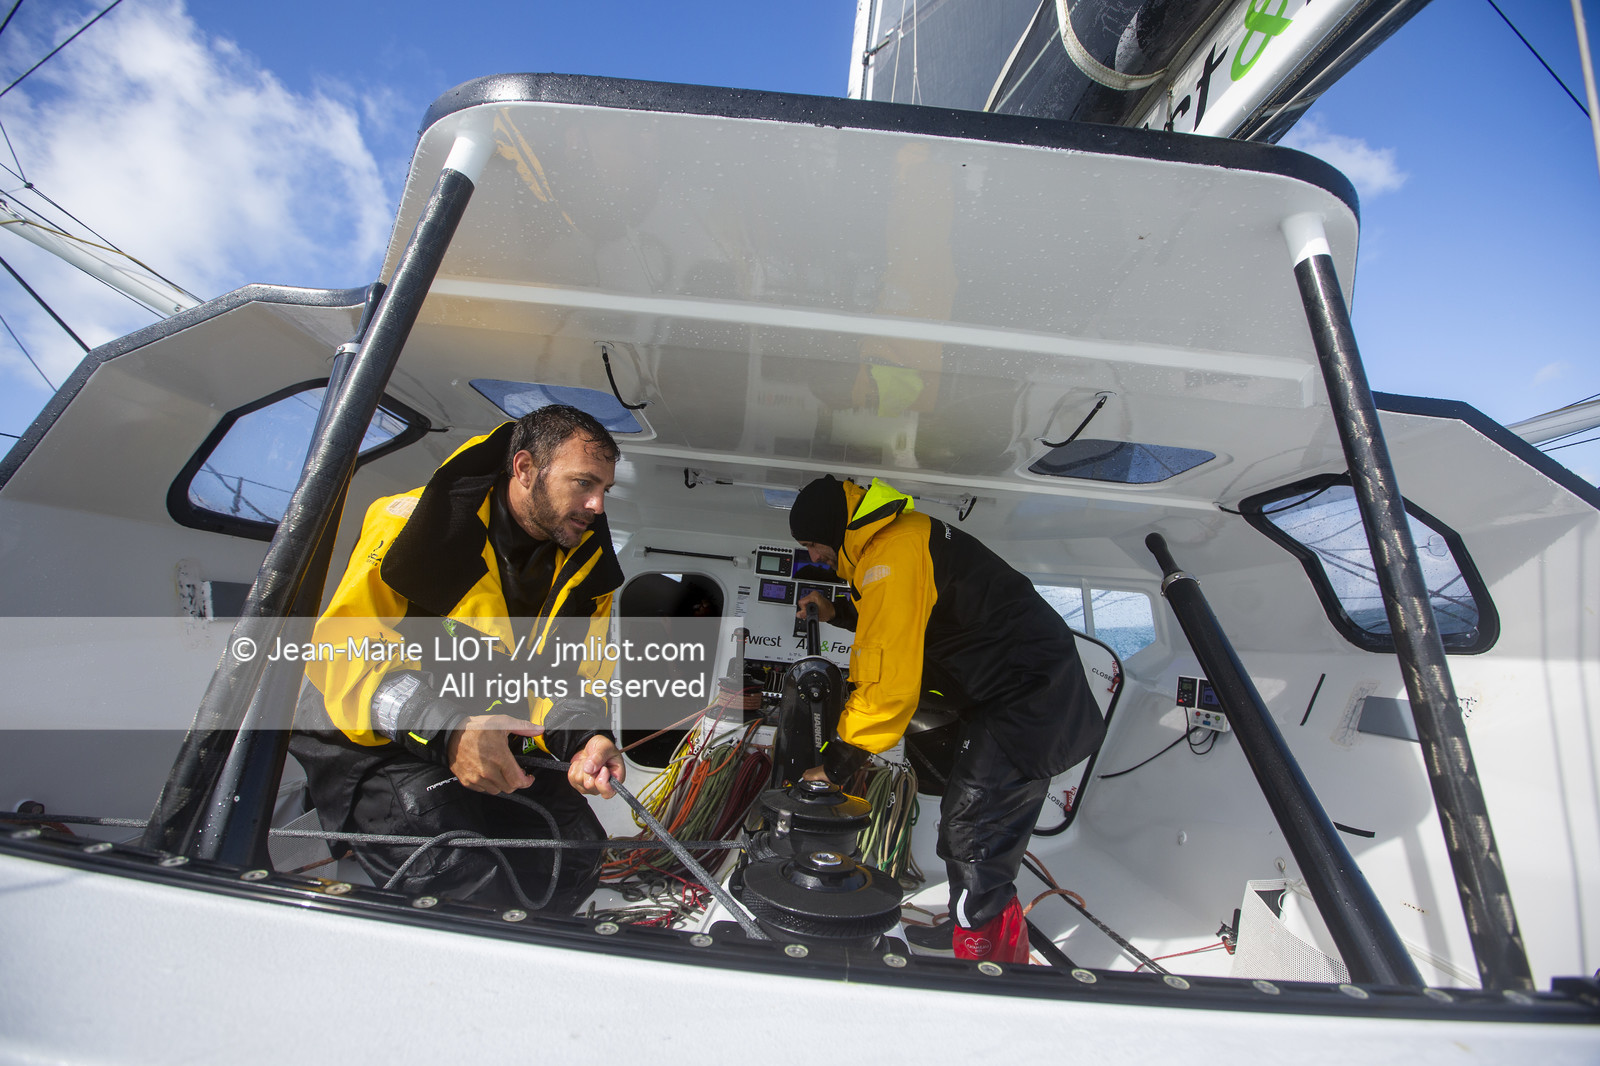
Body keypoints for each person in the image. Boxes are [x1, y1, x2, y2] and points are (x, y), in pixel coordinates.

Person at [290, 404, 626, 911]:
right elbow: (343, 650)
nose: (597, 505)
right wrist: (450, 733)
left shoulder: (590, 572)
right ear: (525, 469)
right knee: (458, 875)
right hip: (373, 737)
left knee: (576, 850)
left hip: (488, 727)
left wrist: (586, 739)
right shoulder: (415, 524)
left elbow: (571, 677)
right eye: (583, 483)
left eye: (604, 490)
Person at [788, 474, 1105, 963]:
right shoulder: (896, 541)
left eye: (812, 543)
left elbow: (887, 671)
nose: (813, 556)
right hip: (1008, 690)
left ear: (834, 529)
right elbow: (919, 614)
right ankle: (969, 923)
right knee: (967, 823)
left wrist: (837, 763)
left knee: (972, 830)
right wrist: (839, 613)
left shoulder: (892, 553)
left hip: (1028, 697)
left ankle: (988, 958)